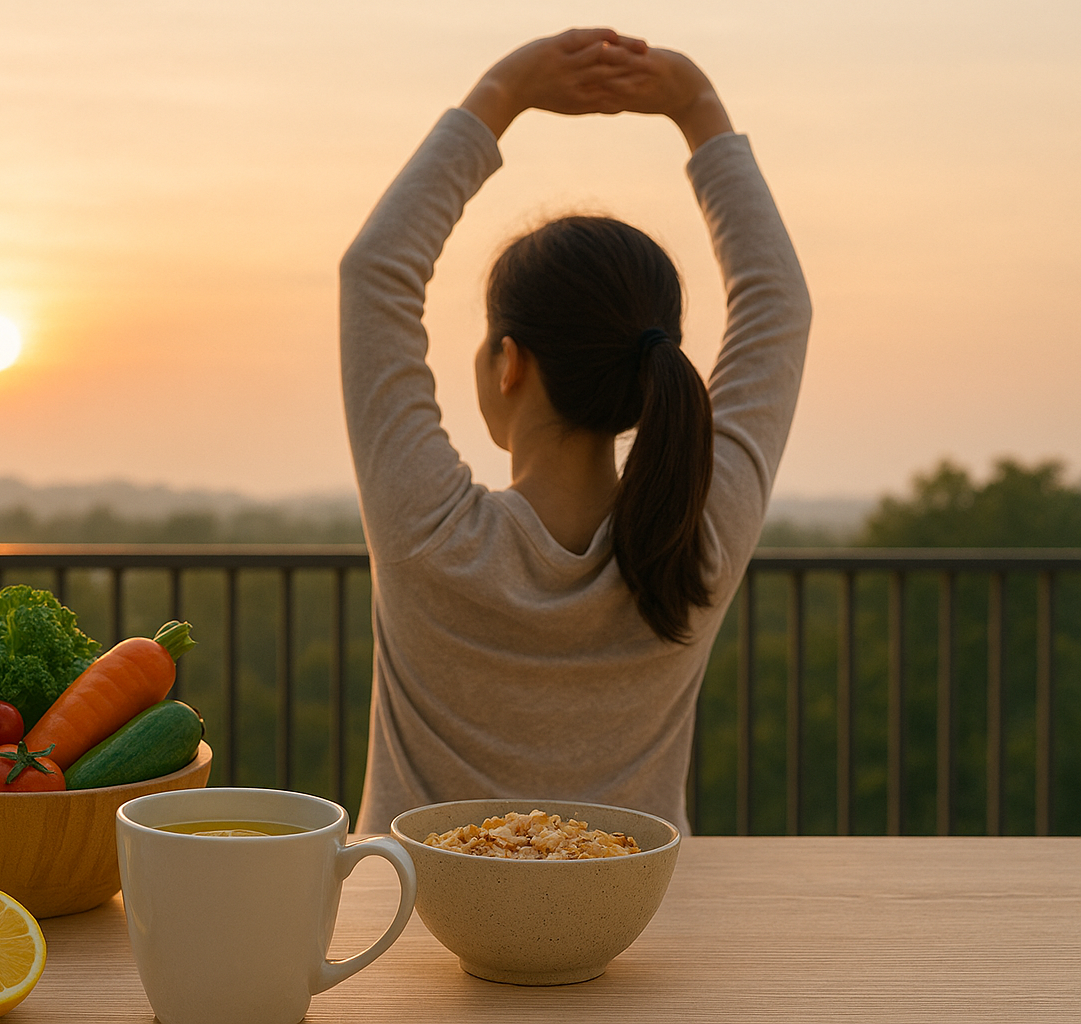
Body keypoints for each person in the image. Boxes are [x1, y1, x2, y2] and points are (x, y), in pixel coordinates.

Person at [340, 28, 811, 835]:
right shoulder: (693, 544)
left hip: (420, 947)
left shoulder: (430, 535)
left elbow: (375, 272)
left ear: (509, 362)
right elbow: (779, 306)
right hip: (629, 946)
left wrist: (501, 92)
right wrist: (698, 109)